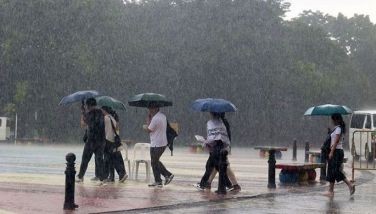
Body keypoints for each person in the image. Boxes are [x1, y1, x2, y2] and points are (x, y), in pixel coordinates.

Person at [196, 112, 240, 193]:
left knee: (214, 166)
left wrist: (206, 141)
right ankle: (209, 183)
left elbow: (214, 136)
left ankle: (226, 185)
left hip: (217, 147)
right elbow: (224, 136)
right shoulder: (224, 122)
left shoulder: (214, 123)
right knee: (220, 166)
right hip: (224, 147)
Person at [324, 113, 355, 197]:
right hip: (336, 151)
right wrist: (329, 132)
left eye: (333, 119)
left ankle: (350, 185)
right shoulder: (336, 129)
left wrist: (331, 152)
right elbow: (333, 139)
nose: (332, 121)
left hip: (336, 152)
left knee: (335, 171)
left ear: (337, 120)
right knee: (332, 171)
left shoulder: (338, 129)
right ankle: (331, 191)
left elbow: (336, 141)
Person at [76, 98, 106, 183]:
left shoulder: (91, 113)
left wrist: (83, 113)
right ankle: (101, 178)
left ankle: (80, 176)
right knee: (99, 159)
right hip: (101, 140)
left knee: (85, 159)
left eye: (87, 105)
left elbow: (85, 123)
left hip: (92, 140)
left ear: (88, 105)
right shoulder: (101, 113)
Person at [143, 106, 174, 187]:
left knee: (154, 162)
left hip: (156, 143)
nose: (149, 110)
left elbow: (149, 129)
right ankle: (159, 180)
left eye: (151, 108)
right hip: (162, 142)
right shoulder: (163, 116)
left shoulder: (155, 118)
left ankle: (167, 175)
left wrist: (146, 123)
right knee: (155, 161)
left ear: (156, 108)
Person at [101, 106, 128, 183]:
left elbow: (102, 129)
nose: (101, 112)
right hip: (114, 141)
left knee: (108, 159)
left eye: (102, 110)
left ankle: (115, 175)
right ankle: (114, 176)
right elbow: (117, 129)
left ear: (105, 111)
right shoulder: (112, 118)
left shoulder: (105, 118)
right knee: (112, 159)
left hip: (108, 141)